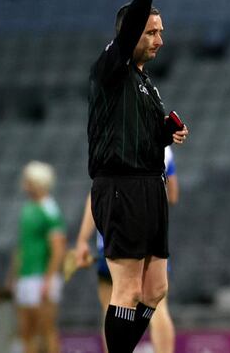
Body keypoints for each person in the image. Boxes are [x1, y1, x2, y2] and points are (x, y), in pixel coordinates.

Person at [86, 0, 188, 353]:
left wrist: (166, 132)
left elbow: (142, 137)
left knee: (156, 288)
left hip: (149, 186)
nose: (159, 39)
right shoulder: (112, 68)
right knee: (126, 290)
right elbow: (129, 33)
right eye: (151, 32)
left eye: (161, 31)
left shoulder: (146, 83)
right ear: (129, 35)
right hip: (120, 186)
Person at [75, 146, 179, 353]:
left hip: (115, 234)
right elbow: (173, 195)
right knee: (157, 305)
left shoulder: (116, 141)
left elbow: (96, 195)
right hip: (151, 232)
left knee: (112, 304)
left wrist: (82, 240)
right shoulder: (163, 148)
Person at [12, 161, 67, 353]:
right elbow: (22, 246)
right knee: (26, 331)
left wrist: (49, 279)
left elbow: (58, 248)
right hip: (26, 276)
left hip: (42, 277)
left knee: (46, 330)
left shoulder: (49, 209)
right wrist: (14, 276)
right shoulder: (28, 208)